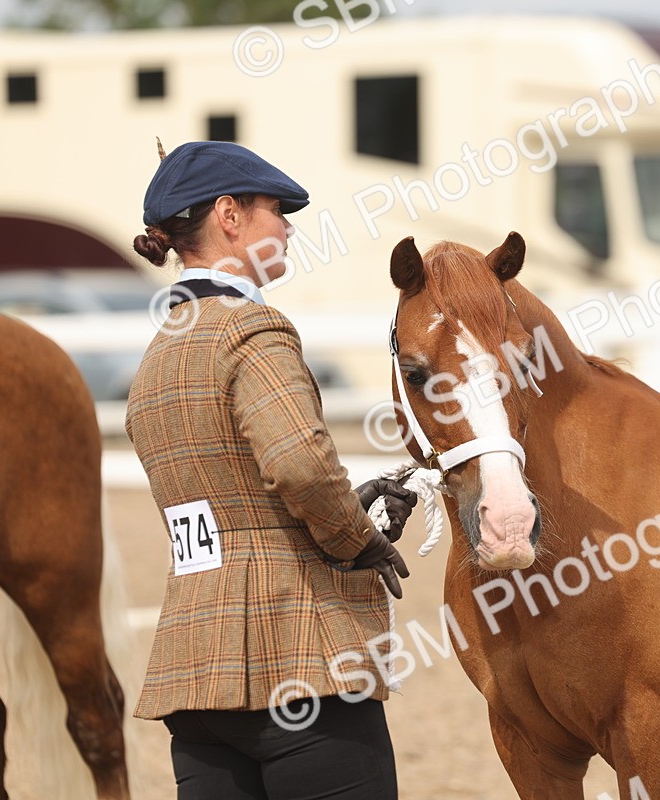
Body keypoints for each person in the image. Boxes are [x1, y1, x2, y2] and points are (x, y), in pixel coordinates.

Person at [126, 140, 417, 800]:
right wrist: (359, 540)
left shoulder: (157, 357)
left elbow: (232, 503)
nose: (287, 226)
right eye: (276, 210)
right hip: (295, 658)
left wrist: (351, 504)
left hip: (196, 678)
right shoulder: (253, 329)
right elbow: (301, 469)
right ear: (229, 216)